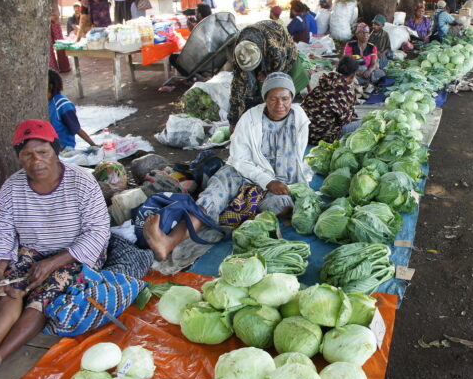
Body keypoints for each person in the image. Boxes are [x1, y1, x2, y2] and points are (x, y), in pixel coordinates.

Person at [143, 73, 312, 260]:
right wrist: (267, 181)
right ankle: (168, 242)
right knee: (212, 197)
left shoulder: (299, 118)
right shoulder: (250, 119)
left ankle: (242, 225)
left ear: (292, 98)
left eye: (285, 99)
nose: (280, 104)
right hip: (242, 172)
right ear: (265, 99)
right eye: (273, 99)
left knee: (281, 207)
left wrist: (277, 183)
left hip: (281, 180)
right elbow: (239, 159)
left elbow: (296, 157)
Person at [0, 120, 109, 368]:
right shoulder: (11, 188)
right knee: (11, 288)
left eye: (43, 152)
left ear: (55, 151)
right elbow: (3, 233)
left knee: (43, 297)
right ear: (19, 157)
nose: (36, 161)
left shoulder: (82, 183)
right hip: (33, 251)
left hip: (76, 253)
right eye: (27, 155)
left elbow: (98, 232)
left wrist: (54, 262)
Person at [229, 21, 305, 128]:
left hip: (281, 44)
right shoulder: (241, 51)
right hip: (258, 45)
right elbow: (237, 86)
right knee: (247, 84)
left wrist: (267, 74)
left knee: (275, 88)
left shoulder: (275, 50)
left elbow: (278, 76)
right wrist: (234, 121)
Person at [301, 56, 360, 144]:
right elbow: (345, 121)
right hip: (323, 138)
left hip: (304, 134)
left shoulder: (324, 82)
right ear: (353, 75)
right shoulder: (346, 91)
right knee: (363, 123)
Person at [47, 70, 96, 149]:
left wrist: (93, 145)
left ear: (50, 86)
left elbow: (76, 128)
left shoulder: (62, 104)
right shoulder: (47, 102)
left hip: (63, 148)